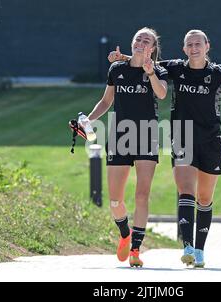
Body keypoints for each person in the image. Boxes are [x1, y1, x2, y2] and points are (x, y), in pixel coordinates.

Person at [108, 29, 221, 268]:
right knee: (185, 191)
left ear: (207, 46)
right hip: (182, 136)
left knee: (205, 198)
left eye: (198, 44)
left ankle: (200, 250)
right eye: (189, 45)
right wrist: (122, 59)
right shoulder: (176, 68)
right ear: (184, 49)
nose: (193, 48)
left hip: (211, 140)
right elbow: (146, 63)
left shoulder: (218, 72)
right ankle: (188, 247)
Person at [87, 27, 168, 267]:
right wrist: (87, 120)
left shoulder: (158, 70)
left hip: (146, 135)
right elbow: (106, 101)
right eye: (138, 39)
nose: (141, 42)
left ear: (152, 49)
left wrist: (151, 72)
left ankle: (136, 250)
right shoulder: (117, 69)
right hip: (120, 136)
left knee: (142, 194)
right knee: (115, 200)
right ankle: (125, 234)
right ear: (133, 43)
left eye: (147, 41)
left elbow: (162, 94)